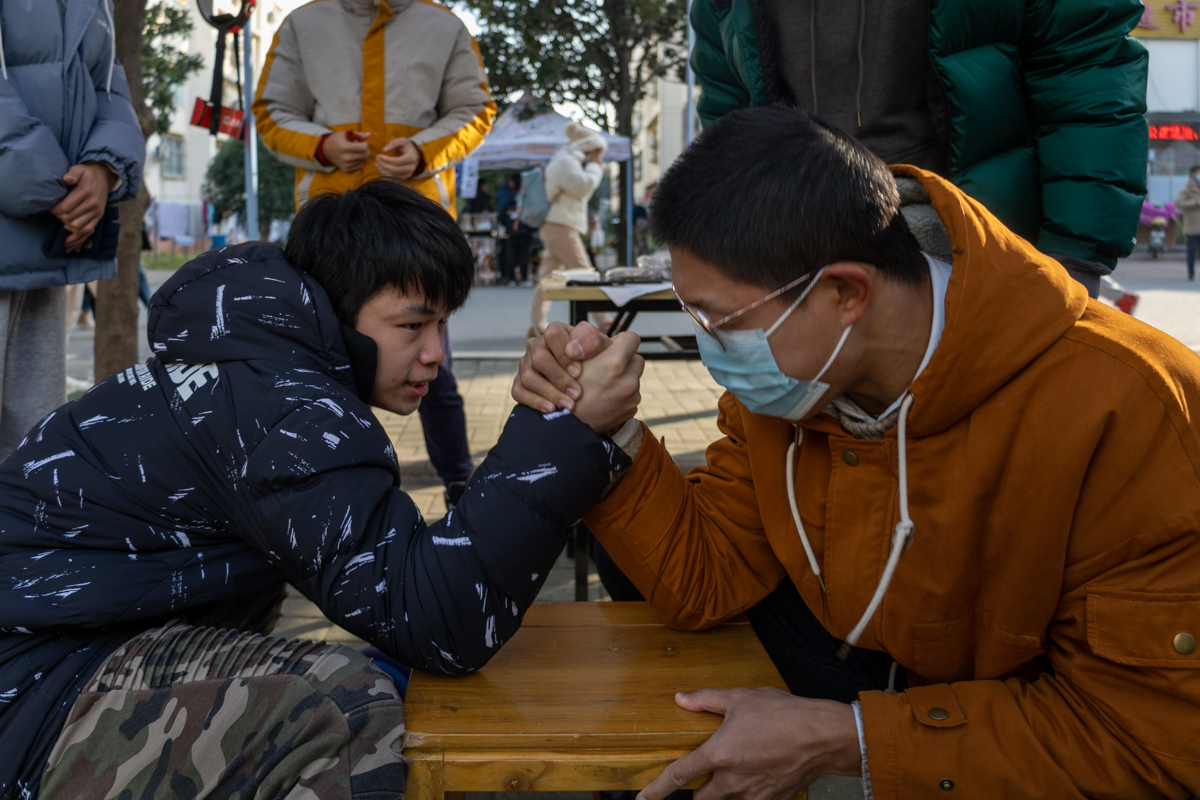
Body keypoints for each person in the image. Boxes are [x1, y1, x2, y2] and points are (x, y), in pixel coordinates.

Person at [514, 107, 1200, 799]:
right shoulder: (799, 380)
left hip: (1029, 717)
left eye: (721, 322)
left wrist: (853, 740)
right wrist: (603, 431)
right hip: (876, 660)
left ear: (846, 292)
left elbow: (1150, 742)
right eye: (693, 317)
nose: (710, 349)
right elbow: (707, 579)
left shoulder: (1133, 409)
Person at [0, 180, 640, 799]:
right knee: (345, 710)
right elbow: (442, 621)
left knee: (373, 669)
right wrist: (558, 437)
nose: (435, 354)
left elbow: (395, 584)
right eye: (411, 327)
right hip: (34, 690)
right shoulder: (284, 404)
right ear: (337, 310)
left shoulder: (255, 367)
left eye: (443, 325)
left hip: (64, 650)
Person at [688, 0, 1148, 298]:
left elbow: (1087, 74)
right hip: (796, 264)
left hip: (978, 256)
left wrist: (1074, 256)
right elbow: (728, 112)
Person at [254, 0, 495, 507]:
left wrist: (425, 150)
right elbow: (271, 113)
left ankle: (458, 482)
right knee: (318, 367)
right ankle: (319, 494)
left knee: (432, 365)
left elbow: (475, 111)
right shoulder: (304, 23)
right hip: (330, 233)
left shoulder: (444, 26)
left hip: (415, 228)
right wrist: (323, 146)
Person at [0, 0, 144, 460]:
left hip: (44, 241)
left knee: (30, 448)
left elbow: (110, 85)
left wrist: (105, 166)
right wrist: (57, 188)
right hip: (45, 209)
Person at [529, 122, 607, 334]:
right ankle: (604, 320)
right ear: (588, 147)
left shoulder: (566, 160)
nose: (598, 156)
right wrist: (595, 167)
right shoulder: (566, 161)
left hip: (557, 225)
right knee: (584, 271)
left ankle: (536, 323)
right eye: (597, 151)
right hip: (560, 225)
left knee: (548, 277)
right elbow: (582, 187)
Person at [1176, 165, 1200, 281]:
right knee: (1191, 251)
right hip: (1192, 227)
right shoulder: (1187, 189)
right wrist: (1195, 202)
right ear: (1193, 174)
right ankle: (1191, 273)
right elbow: (1178, 202)